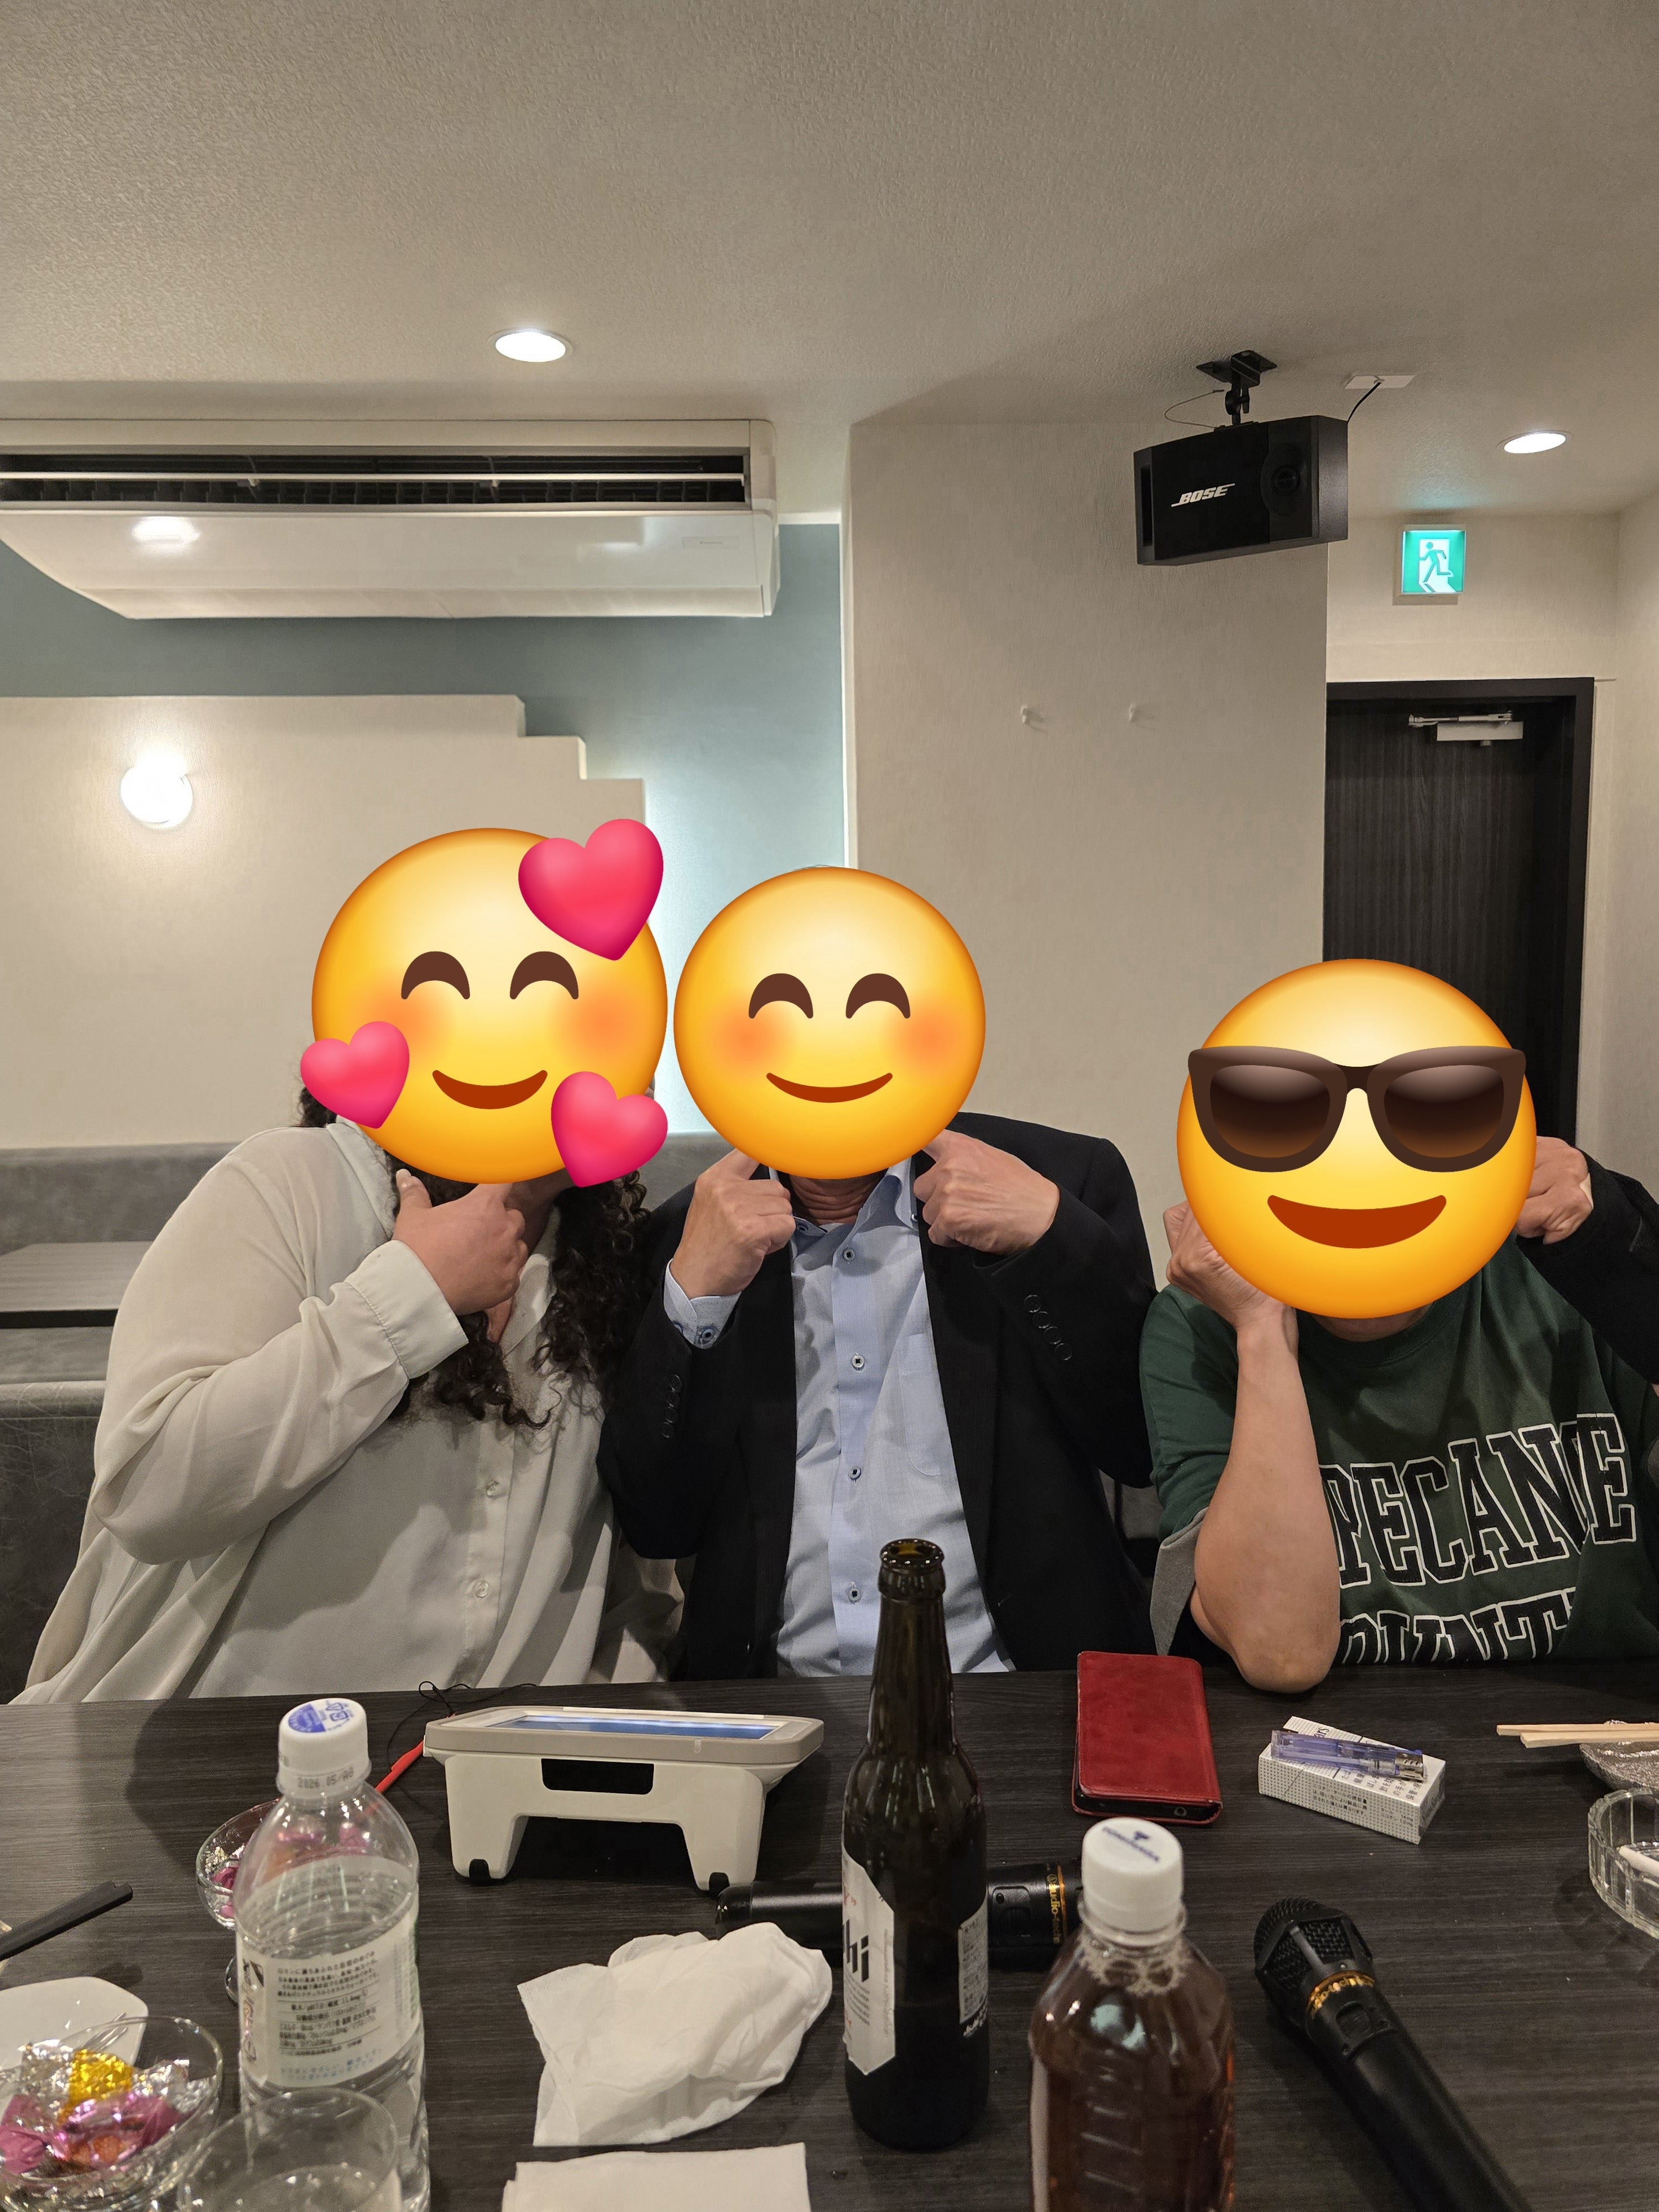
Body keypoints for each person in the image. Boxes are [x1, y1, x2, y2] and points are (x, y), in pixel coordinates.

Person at [18, 1095, 676, 1701]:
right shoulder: (292, 1180)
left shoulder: (611, 1265)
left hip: (478, 1771)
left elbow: (617, 1584)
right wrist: (414, 1290)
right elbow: (147, 1492)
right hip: (194, 1747)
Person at [597, 1117, 1157, 1677]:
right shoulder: (689, 1231)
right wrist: (695, 1301)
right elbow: (657, 1524)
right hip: (775, 1699)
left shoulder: (1053, 1178)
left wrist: (1048, 1238)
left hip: (1029, 1685)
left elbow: (1138, 1447)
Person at [1142, 1138, 1659, 1690]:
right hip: (1342, 1732)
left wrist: (1621, 1258)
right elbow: (1283, 1653)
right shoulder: (1202, 1324)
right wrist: (1261, 1329)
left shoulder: (1562, 1272)